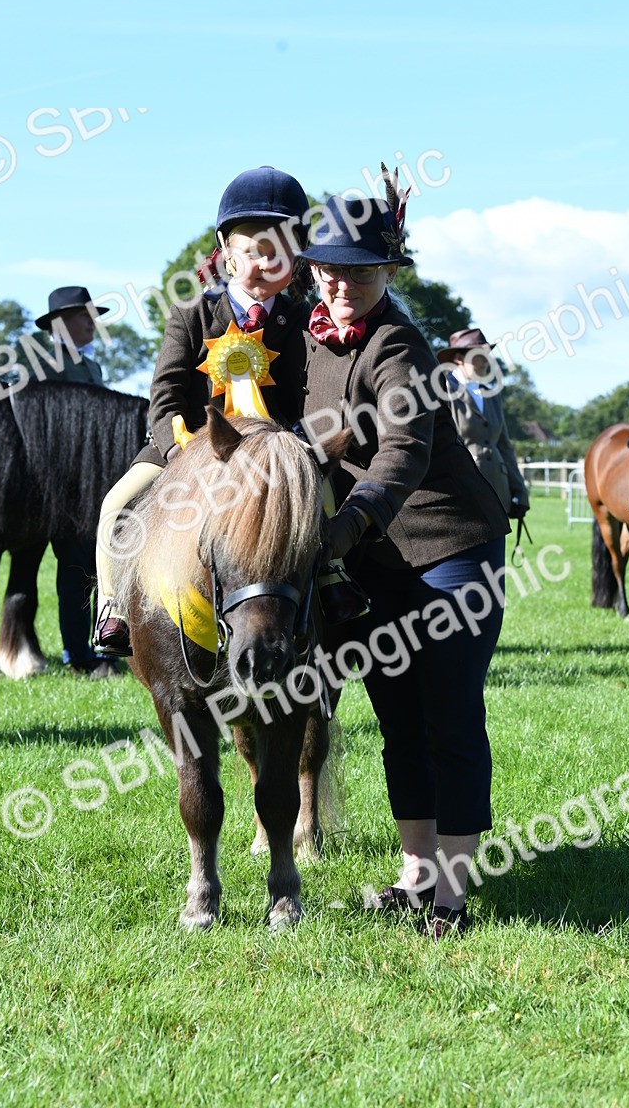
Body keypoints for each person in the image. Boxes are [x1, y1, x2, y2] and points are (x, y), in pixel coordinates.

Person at [299, 185, 509, 939]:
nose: (340, 283)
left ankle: (452, 895)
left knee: (449, 715)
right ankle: (415, 876)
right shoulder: (305, 337)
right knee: (397, 719)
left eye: (358, 271)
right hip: (374, 558)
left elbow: (403, 450)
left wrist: (348, 523)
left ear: (390, 272)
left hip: (452, 548)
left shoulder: (400, 345)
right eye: (327, 268)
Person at [93, 165, 328, 657]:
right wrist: (180, 444)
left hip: (273, 455)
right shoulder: (190, 312)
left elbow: (306, 398)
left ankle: (334, 580)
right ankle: (113, 608)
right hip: (190, 445)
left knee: (324, 498)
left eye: (276, 256)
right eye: (249, 253)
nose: (261, 266)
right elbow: (165, 393)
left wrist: (295, 445)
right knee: (116, 506)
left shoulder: (302, 322)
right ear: (225, 251)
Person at [34, 286, 117, 677]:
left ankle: (102, 645)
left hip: (95, 480)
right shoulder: (46, 364)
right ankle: (76, 653)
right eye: (84, 316)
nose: (91, 322)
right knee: (74, 570)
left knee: (99, 567)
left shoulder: (93, 367)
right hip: (63, 483)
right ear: (61, 324)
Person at [438, 327, 529, 518]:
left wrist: (519, 491)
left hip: (498, 488)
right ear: (459, 359)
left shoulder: (492, 393)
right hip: (462, 489)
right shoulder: (443, 390)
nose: (487, 359)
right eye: (479, 354)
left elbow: (504, 446)